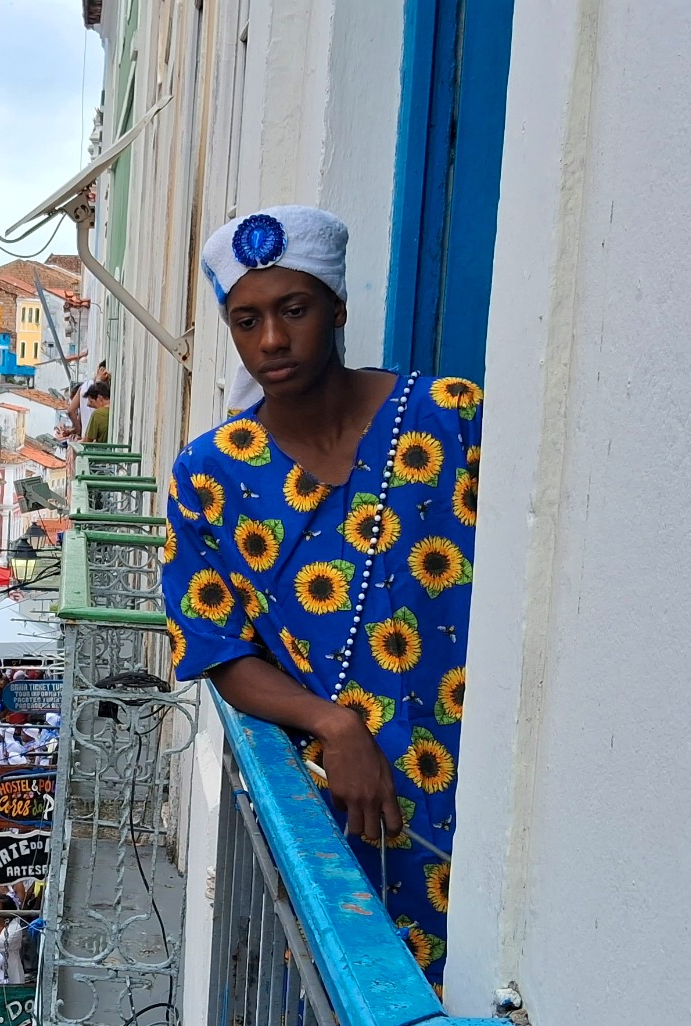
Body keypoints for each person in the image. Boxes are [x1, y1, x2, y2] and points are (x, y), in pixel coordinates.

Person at [168, 205, 479, 984]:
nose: (272, 339)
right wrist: (330, 723)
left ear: (338, 308)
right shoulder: (210, 474)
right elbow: (215, 648)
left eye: (294, 310)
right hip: (342, 814)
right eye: (247, 321)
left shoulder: (454, 418)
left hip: (485, 789)